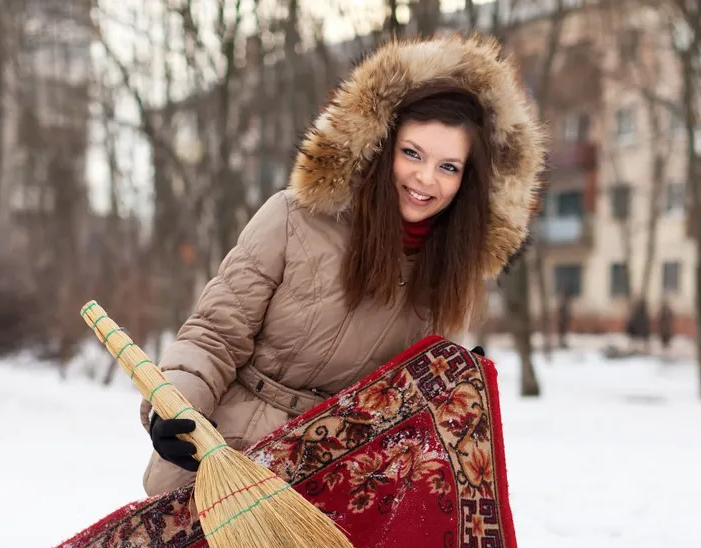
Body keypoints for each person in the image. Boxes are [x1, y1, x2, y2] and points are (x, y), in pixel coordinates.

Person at [140, 35, 546, 497]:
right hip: (227, 451)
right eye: (412, 153)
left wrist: (448, 388)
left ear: (467, 182)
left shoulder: (450, 278)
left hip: (332, 484)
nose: (425, 179)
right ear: (381, 146)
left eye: (448, 167)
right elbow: (214, 337)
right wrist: (177, 407)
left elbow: (404, 410)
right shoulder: (293, 218)